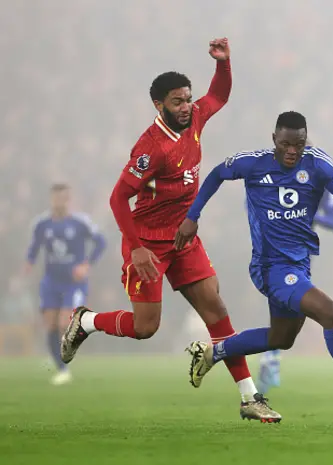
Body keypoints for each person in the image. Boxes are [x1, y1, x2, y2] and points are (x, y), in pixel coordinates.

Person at [60, 38, 280, 422]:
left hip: (184, 238)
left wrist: (224, 64)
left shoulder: (194, 118)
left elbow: (219, 96)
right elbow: (118, 199)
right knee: (146, 328)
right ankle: (87, 321)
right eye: (177, 101)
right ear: (159, 105)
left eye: (187, 99)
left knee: (216, 309)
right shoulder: (151, 149)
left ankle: (250, 398)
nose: (186, 106)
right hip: (147, 243)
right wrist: (137, 247)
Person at [176, 111, 333, 416]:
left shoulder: (318, 163)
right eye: (285, 144)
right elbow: (217, 174)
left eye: (298, 144)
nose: (292, 151)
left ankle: (211, 353)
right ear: (274, 140)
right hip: (270, 267)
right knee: (331, 313)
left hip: (298, 266)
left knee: (280, 339)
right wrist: (192, 216)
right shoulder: (253, 163)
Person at [257, 188, 333, 394]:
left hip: (302, 257)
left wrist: (311, 214)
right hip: (278, 255)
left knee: (294, 309)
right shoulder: (280, 182)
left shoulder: (324, 191)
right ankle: (270, 358)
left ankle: (271, 358)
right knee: (290, 305)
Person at [24, 183, 106, 385]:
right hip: (51, 280)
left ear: (69, 200)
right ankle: (62, 368)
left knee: (64, 323)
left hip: (73, 282)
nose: (59, 201)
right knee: (50, 324)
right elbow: (35, 246)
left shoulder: (80, 222)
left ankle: (63, 362)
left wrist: (86, 265)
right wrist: (29, 263)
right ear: (51, 199)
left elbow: (101, 242)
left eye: (63, 198)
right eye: (56, 198)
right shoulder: (42, 224)